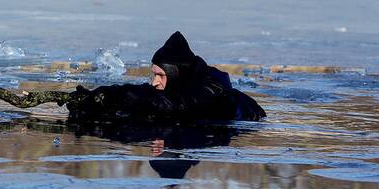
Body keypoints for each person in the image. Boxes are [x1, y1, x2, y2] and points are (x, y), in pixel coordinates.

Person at [65, 31, 265, 124]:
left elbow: (173, 104)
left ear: (177, 73)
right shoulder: (179, 86)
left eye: (161, 75)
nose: (155, 82)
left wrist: (117, 99)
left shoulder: (212, 89)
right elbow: (146, 94)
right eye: (154, 74)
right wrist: (100, 96)